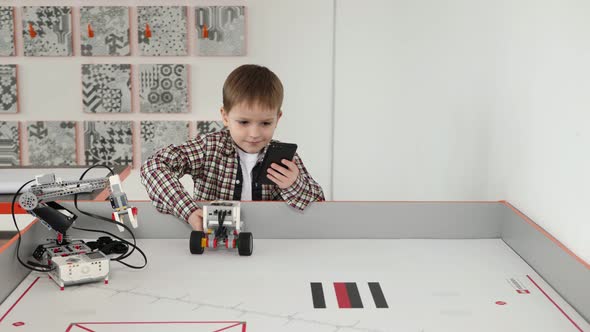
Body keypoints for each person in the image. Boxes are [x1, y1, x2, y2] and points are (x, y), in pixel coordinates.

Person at [141, 64, 325, 231]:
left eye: (266, 123)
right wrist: (188, 210)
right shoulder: (208, 148)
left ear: (278, 118)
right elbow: (153, 166)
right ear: (225, 116)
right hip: (214, 241)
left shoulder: (285, 158)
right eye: (244, 122)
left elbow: (320, 205)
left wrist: (295, 184)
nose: (254, 133)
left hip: (270, 245)